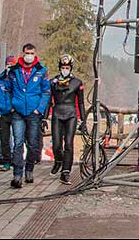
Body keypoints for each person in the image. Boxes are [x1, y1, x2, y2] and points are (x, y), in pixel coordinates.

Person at [7, 43, 50, 188]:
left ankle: (29, 169)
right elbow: (6, 89)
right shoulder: (14, 70)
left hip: (33, 112)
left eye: (31, 53)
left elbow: (46, 91)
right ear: (23, 53)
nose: (29, 56)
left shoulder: (41, 70)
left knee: (32, 143)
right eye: (27, 53)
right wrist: (10, 106)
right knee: (18, 143)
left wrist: (39, 109)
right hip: (18, 111)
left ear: (35, 53)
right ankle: (17, 174)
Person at [48, 55, 87, 184]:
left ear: (71, 68)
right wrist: (44, 117)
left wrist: (83, 120)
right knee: (57, 144)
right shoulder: (52, 82)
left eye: (67, 67)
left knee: (69, 144)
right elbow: (49, 101)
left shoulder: (77, 82)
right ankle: (58, 161)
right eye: (63, 67)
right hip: (57, 113)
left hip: (71, 114)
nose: (65, 69)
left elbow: (81, 103)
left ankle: (66, 171)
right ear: (60, 68)